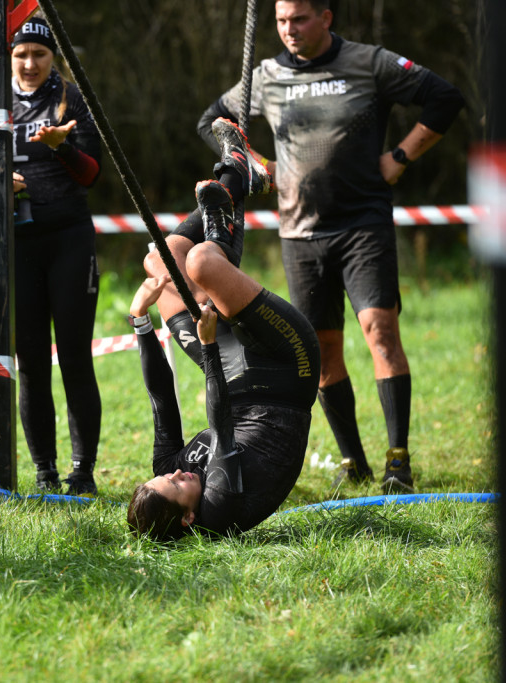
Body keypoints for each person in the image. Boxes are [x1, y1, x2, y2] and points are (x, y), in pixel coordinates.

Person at [195, 0, 465, 492]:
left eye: (299, 19)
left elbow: (445, 97)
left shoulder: (369, 62)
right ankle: (353, 461)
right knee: (321, 349)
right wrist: (253, 163)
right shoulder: (267, 74)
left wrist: (400, 156)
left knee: (379, 332)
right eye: (280, 21)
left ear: (326, 17)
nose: (289, 30)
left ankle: (398, 461)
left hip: (363, 225)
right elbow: (213, 121)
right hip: (301, 233)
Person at [128, 123, 320, 540]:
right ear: (187, 519)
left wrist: (140, 322)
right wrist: (210, 345)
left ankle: (236, 179)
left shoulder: (170, 475)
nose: (178, 472)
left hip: (234, 377)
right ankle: (227, 199)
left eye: (166, 477)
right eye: (177, 485)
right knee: (200, 265)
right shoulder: (217, 507)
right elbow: (222, 424)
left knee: (164, 261)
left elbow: (162, 400)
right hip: (287, 373)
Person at [0, 16, 103, 495]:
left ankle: (81, 473)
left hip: (69, 240)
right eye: (20, 54)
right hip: (15, 246)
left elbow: (92, 174)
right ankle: (44, 471)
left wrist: (63, 149)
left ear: (52, 58)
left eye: (38, 55)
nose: (28, 64)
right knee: (32, 363)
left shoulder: (71, 97)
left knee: (76, 358)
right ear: (8, 57)